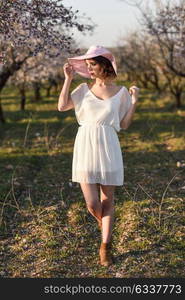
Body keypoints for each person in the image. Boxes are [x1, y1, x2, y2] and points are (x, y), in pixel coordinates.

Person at [58, 45, 139, 267]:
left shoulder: (122, 92)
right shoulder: (83, 89)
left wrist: (133, 103)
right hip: (85, 145)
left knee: (107, 201)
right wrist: (67, 79)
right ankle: (105, 224)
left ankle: (105, 246)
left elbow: (123, 124)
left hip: (109, 145)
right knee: (92, 204)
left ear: (104, 65)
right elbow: (62, 105)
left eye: (92, 64)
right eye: (87, 65)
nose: (89, 68)